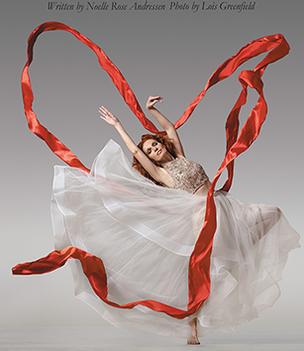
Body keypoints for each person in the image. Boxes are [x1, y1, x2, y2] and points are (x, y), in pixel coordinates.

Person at [95, 95, 300, 344]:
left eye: (154, 145)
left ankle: (243, 249)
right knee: (200, 274)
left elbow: (171, 129)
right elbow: (134, 150)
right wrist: (117, 125)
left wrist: (153, 110)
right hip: (200, 217)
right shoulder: (160, 173)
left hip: (221, 205)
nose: (153, 150)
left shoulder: (181, 156)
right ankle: (192, 328)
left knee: (273, 214)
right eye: (149, 151)